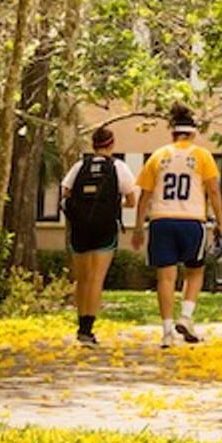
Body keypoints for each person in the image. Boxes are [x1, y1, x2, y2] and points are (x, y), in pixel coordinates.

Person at [133, 107, 222, 348]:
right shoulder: (202, 156)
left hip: (161, 219)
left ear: (172, 133)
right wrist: (220, 223)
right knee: (194, 270)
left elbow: (145, 195)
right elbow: (213, 190)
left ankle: (166, 331)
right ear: (193, 133)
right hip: (191, 219)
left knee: (166, 277)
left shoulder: (158, 156)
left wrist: (138, 227)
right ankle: (185, 316)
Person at [59, 128, 137, 347]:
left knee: (82, 279)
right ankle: (88, 329)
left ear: (93, 145)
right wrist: (113, 205)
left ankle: (80, 326)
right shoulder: (118, 167)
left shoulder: (79, 166)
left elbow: (65, 193)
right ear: (111, 145)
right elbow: (132, 200)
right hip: (105, 229)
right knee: (96, 279)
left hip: (80, 229)